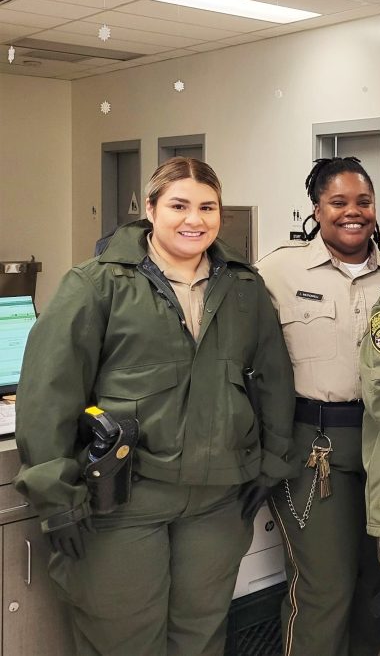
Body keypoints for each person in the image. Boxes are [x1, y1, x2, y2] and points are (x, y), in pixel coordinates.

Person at [14, 156, 295, 656]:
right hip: (125, 501)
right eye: (179, 205)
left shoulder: (244, 287)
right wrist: (56, 498)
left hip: (215, 499)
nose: (195, 219)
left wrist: (271, 463)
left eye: (207, 207)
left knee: (201, 636)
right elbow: (48, 393)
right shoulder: (97, 284)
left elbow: (272, 381)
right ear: (151, 208)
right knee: (123, 639)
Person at [257, 157, 380, 656]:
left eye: (363, 201)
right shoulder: (278, 270)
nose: (352, 212)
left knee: (373, 582)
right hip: (313, 447)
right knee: (325, 587)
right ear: (317, 209)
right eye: (338, 202)